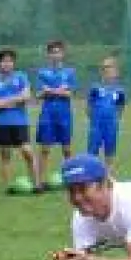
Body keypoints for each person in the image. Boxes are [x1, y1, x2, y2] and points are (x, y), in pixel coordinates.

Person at [0, 48, 38, 192]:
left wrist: (5, 101)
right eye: (4, 61)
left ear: (14, 63)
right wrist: (16, 100)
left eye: (10, 61)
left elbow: (27, 96)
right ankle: (7, 186)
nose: (7, 64)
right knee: (5, 155)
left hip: (20, 122)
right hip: (2, 123)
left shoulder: (21, 76)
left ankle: (36, 184)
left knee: (27, 151)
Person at [35, 40, 78, 181]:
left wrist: (51, 91)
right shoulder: (42, 73)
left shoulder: (69, 72)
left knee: (66, 149)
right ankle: (40, 181)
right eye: (53, 52)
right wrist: (59, 91)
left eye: (58, 52)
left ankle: (71, 178)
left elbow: (70, 93)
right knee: (45, 148)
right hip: (47, 114)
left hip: (64, 114)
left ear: (63, 54)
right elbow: (39, 94)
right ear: (48, 55)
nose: (55, 55)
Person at [86, 57, 127, 171]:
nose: (108, 71)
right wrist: (92, 118)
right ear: (101, 72)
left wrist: (117, 118)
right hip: (97, 124)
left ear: (116, 72)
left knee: (110, 150)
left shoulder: (119, 90)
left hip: (111, 124)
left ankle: (108, 175)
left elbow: (121, 105)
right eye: (105, 69)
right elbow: (89, 105)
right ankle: (92, 173)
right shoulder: (95, 87)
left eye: (110, 68)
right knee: (93, 150)